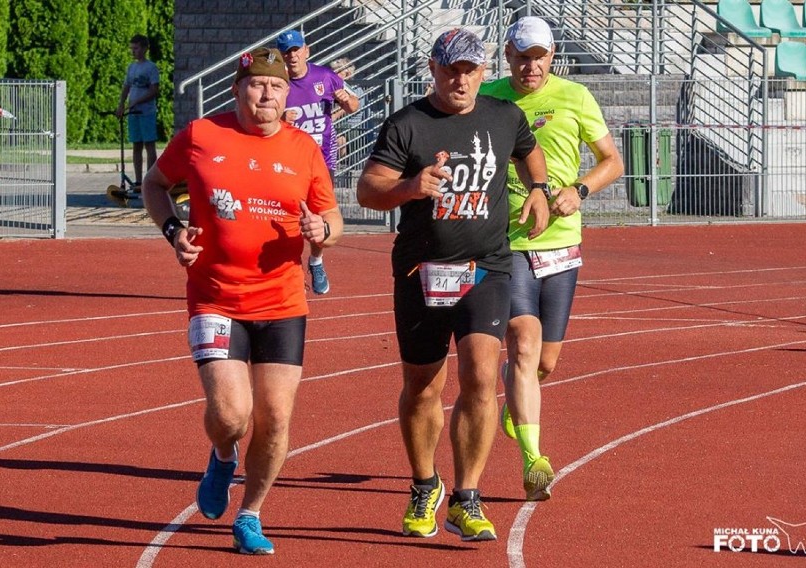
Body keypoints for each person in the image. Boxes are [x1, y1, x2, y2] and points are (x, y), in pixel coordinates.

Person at [140, 47, 343, 555]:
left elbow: (332, 217)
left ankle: (250, 513)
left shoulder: (303, 149)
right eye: (256, 85)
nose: (267, 95)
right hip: (215, 298)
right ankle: (222, 452)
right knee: (232, 414)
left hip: (282, 303)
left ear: (285, 94)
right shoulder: (202, 136)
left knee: (275, 419)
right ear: (238, 89)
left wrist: (323, 230)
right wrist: (172, 230)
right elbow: (155, 183)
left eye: (276, 87)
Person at [357, 28, 550, 542]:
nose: (460, 79)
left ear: (484, 72)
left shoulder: (504, 115)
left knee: (482, 378)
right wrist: (408, 187)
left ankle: (468, 496)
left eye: (469, 70)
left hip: (485, 266)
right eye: (450, 70)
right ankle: (425, 485)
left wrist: (538, 190)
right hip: (421, 269)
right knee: (423, 386)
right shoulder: (408, 125)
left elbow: (529, 152)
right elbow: (367, 191)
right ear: (433, 70)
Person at [479, 16, 624, 501]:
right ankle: (533, 460)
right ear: (507, 56)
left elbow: (612, 161)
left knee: (546, 363)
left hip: (562, 243)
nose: (530, 66)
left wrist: (580, 190)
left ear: (552, 55)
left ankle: (517, 403)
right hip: (508, 242)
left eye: (538, 57)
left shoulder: (576, 97)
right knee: (522, 342)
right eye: (521, 57)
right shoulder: (491, 97)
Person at [277, 29, 359, 295]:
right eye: (287, 52)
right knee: (285, 216)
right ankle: (286, 268)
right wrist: (280, 120)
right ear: (281, 55)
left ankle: (316, 261)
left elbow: (353, 105)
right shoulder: (277, 83)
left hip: (322, 158)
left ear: (306, 51)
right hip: (287, 159)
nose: (293, 56)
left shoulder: (325, 76)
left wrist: (346, 101)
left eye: (296, 50)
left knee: (319, 216)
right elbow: (258, 119)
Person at [115, 34, 160, 191]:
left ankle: (151, 179)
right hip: (133, 113)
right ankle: (139, 181)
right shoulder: (131, 67)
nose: (133, 51)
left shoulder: (151, 67)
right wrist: (121, 105)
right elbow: (126, 87)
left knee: (149, 145)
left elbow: (154, 90)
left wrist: (137, 101)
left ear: (145, 48)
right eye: (131, 49)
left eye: (136, 48)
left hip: (146, 112)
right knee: (136, 146)